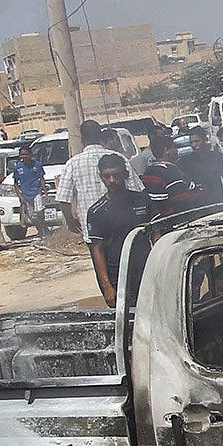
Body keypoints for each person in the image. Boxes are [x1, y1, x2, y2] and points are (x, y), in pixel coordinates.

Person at [85, 154, 153, 307]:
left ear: (126, 174)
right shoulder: (96, 212)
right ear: (101, 177)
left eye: (116, 175)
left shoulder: (143, 200)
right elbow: (97, 251)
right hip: (118, 276)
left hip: (147, 270)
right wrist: (107, 287)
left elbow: (157, 236)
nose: (112, 181)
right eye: (106, 176)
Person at [59, 122, 141, 239]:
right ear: (100, 136)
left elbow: (63, 198)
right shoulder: (119, 158)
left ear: (82, 138)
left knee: (98, 255)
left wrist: (70, 220)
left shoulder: (73, 163)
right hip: (123, 223)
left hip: (92, 228)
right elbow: (135, 188)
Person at [12, 144, 47, 233]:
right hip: (26, 194)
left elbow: (42, 179)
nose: (24, 156)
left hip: (36, 191)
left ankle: (44, 226)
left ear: (30, 155)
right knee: (32, 216)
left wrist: (45, 193)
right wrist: (20, 195)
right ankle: (40, 231)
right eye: (22, 155)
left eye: (26, 154)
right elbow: (15, 183)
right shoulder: (18, 167)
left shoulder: (37, 165)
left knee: (39, 210)